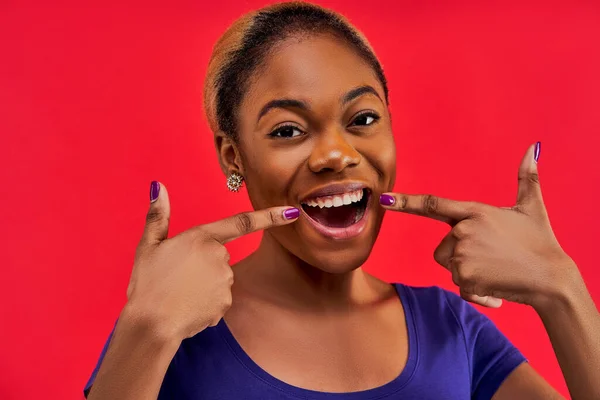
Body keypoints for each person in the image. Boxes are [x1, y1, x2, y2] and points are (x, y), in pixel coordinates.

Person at [83, 2, 600, 399]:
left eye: (364, 119)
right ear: (233, 157)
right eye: (288, 130)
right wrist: (146, 328)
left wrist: (560, 287)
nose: (336, 153)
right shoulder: (172, 329)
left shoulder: (453, 332)